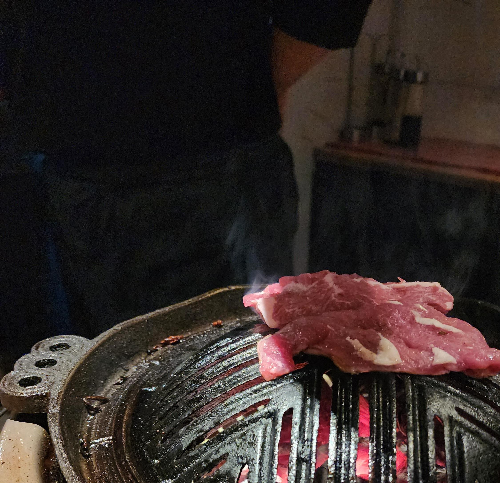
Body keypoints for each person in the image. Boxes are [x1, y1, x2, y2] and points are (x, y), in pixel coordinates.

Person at [3, 1, 372, 340]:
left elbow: (327, 13)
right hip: (59, 174)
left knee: (227, 368)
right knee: (86, 370)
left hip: (211, 177)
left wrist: (252, 84)